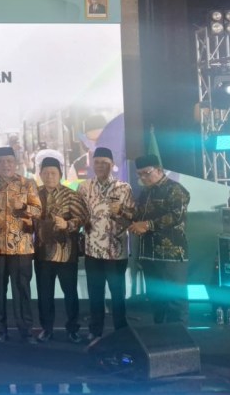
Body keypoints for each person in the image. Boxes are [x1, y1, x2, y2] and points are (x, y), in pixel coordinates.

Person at [0, 146, 41, 342]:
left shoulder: (27, 184)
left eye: (9, 161)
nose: (6, 165)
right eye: (1, 161)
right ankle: (0, 330)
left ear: (16, 163)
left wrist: (24, 207)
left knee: (22, 290)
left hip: (22, 247)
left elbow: (38, 211)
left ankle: (26, 331)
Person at [77, 147, 135, 346]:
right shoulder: (84, 187)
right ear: (92, 164)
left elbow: (131, 219)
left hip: (115, 251)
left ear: (112, 164)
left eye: (105, 162)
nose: (100, 166)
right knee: (95, 294)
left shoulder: (123, 188)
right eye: (97, 162)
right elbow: (79, 215)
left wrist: (120, 213)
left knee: (118, 295)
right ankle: (95, 331)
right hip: (92, 250)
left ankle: (121, 332)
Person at [130, 154, 191, 325]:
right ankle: (160, 335)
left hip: (171, 253)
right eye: (139, 174)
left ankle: (178, 337)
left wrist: (147, 225)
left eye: (146, 173)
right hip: (149, 253)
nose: (143, 178)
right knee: (156, 298)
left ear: (159, 170)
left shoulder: (175, 189)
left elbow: (176, 216)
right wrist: (121, 212)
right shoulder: (145, 192)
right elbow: (137, 215)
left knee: (175, 298)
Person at [33, 157, 89, 343]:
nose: (49, 176)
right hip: (42, 253)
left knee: (70, 294)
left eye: (53, 173)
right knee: (44, 294)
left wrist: (68, 224)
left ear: (60, 175)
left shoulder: (71, 195)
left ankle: (72, 329)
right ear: (40, 174)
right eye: (46, 173)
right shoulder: (34, 195)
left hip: (66, 253)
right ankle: (46, 329)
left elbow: (82, 219)